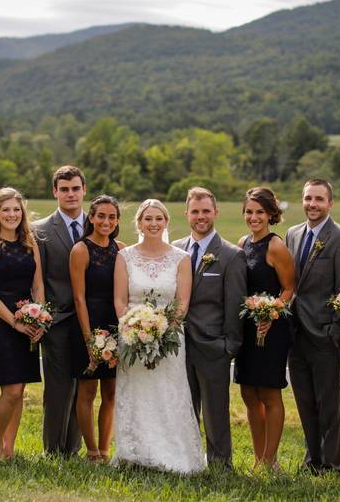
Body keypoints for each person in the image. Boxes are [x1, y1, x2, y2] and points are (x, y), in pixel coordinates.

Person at [112, 199, 205, 474]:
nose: (153, 224)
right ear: (139, 223)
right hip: (131, 338)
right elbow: (120, 300)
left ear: (166, 222)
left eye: (158, 219)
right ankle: (134, 452)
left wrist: (162, 334)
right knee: (137, 394)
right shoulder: (124, 256)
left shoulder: (181, 258)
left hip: (170, 339)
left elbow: (182, 302)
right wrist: (133, 330)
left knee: (167, 395)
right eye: (147, 219)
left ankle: (173, 454)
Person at [285, 179, 340, 474]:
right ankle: (311, 459)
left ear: (330, 203)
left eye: (318, 199)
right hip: (295, 332)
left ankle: (332, 463)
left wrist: (336, 333)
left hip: (325, 332)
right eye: (308, 198)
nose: (312, 204)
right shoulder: (291, 234)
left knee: (328, 402)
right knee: (303, 399)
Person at [172, 187, 247, 468]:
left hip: (214, 344)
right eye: (195, 211)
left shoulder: (231, 255)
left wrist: (230, 346)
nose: (200, 217)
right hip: (178, 345)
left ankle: (219, 464)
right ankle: (186, 460)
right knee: (183, 406)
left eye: (205, 211)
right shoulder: (175, 249)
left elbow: (234, 304)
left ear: (215, 212)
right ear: (186, 214)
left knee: (215, 411)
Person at [0, 188, 46, 460]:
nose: (12, 214)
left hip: (28, 319)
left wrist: (40, 316)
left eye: (16, 209)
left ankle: (9, 449)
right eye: (6, 210)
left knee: (21, 389)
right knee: (11, 389)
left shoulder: (30, 243)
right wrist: (14, 322)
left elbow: (37, 284)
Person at [236, 187, 295, 473]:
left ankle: (271, 461)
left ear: (271, 214)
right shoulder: (242, 243)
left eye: (259, 212)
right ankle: (259, 458)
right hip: (247, 328)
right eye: (249, 211)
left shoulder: (275, 246)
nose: (254, 217)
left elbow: (289, 288)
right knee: (248, 392)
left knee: (270, 394)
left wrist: (271, 313)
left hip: (272, 328)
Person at [32, 165, 86, 456]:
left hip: (91, 320)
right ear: (55, 192)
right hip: (57, 320)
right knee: (58, 388)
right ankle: (53, 450)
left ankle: (73, 447)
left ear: (83, 190)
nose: (70, 194)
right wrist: (41, 315)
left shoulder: (99, 223)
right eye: (64, 189)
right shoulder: (40, 230)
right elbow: (37, 279)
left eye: (75, 188)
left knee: (84, 388)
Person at [70, 195, 124, 462]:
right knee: (87, 390)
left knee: (111, 391)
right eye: (101, 216)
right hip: (87, 325)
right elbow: (79, 298)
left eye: (112, 217)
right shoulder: (81, 250)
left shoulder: (121, 249)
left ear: (117, 221)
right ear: (91, 217)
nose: (106, 221)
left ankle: (105, 449)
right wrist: (89, 339)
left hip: (115, 326)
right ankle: (91, 451)